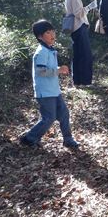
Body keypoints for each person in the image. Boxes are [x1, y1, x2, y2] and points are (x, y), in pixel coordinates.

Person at [19, 20, 79, 149]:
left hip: (54, 91)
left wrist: (59, 69)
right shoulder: (41, 52)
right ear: (40, 36)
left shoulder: (50, 49)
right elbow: (41, 71)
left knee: (64, 114)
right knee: (49, 118)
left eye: (53, 31)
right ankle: (30, 138)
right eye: (48, 32)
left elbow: (49, 68)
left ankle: (68, 139)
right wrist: (58, 70)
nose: (52, 34)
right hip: (45, 92)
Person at [64, 0, 96, 86]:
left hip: (74, 28)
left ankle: (77, 80)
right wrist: (90, 7)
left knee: (78, 55)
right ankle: (85, 81)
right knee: (85, 54)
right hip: (79, 27)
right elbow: (79, 13)